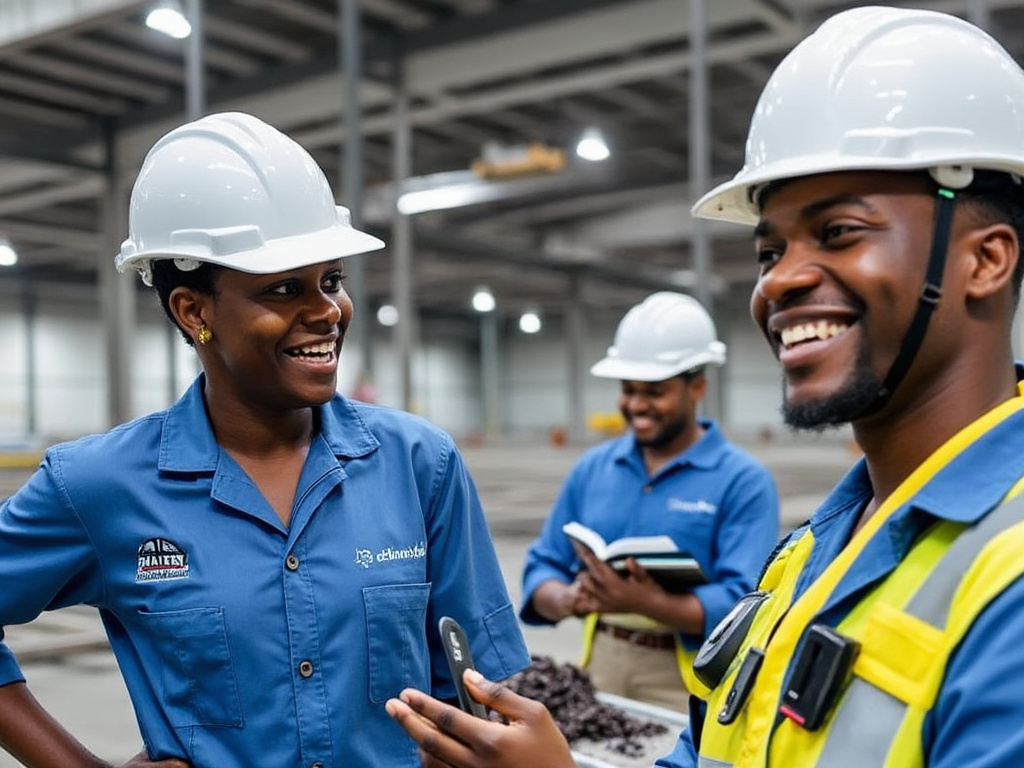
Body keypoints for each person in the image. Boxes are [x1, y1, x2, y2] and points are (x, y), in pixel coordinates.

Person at [385, 6, 1024, 768]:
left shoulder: (1005, 578)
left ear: (985, 261)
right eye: (768, 250)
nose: (781, 279)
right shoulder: (817, 549)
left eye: (840, 232)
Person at [0, 112, 530, 767]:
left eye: (330, 281)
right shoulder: (99, 486)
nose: (327, 311)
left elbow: (478, 695)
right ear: (194, 312)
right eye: (284, 289)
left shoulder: (421, 466)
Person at [519, 292, 779, 710]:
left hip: (691, 677)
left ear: (697, 387)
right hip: (601, 663)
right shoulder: (593, 469)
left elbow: (745, 604)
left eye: (654, 391)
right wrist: (566, 599)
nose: (637, 405)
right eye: (628, 390)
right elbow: (543, 565)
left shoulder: (742, 480)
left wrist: (646, 602)